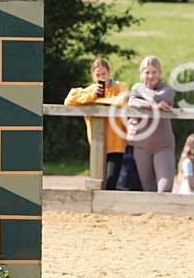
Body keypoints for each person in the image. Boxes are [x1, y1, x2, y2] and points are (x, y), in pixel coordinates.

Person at [64, 58, 130, 190]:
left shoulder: (119, 86)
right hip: (97, 143)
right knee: (98, 180)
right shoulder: (90, 91)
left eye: (104, 74)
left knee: (111, 180)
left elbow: (123, 100)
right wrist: (92, 95)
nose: (102, 77)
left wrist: (100, 102)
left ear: (109, 72)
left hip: (117, 143)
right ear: (93, 76)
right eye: (98, 75)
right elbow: (69, 100)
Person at [126, 55, 177, 193]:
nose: (150, 75)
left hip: (163, 145)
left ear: (160, 73)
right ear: (141, 74)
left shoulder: (167, 90)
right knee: (148, 189)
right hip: (141, 145)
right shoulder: (137, 88)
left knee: (165, 188)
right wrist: (153, 106)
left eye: (154, 72)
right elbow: (131, 103)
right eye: (146, 72)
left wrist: (139, 97)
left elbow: (156, 97)